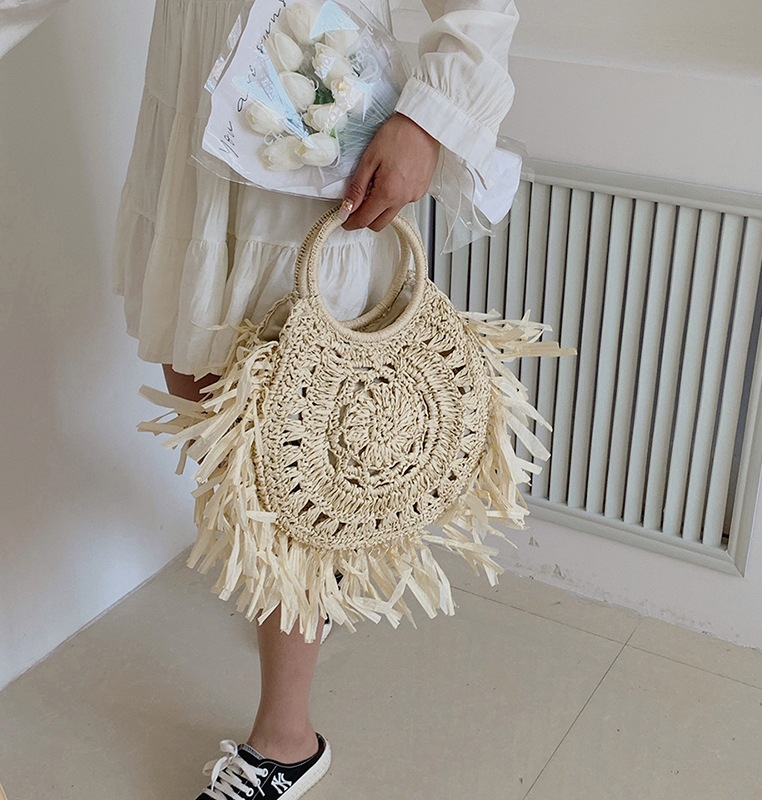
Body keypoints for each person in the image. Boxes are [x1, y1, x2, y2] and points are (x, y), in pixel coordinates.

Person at [111, 0, 520, 797]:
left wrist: (426, 122)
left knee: (283, 442)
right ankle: (310, 588)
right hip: (195, 106)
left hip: (305, 120)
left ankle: (286, 741)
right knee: (201, 396)